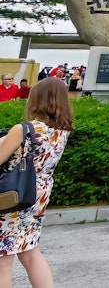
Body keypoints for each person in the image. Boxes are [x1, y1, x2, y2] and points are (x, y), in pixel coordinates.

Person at [0, 78, 72, 288]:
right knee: (29, 251)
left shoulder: (24, 129)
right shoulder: (62, 130)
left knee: (3, 258)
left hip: (12, 195)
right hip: (37, 195)